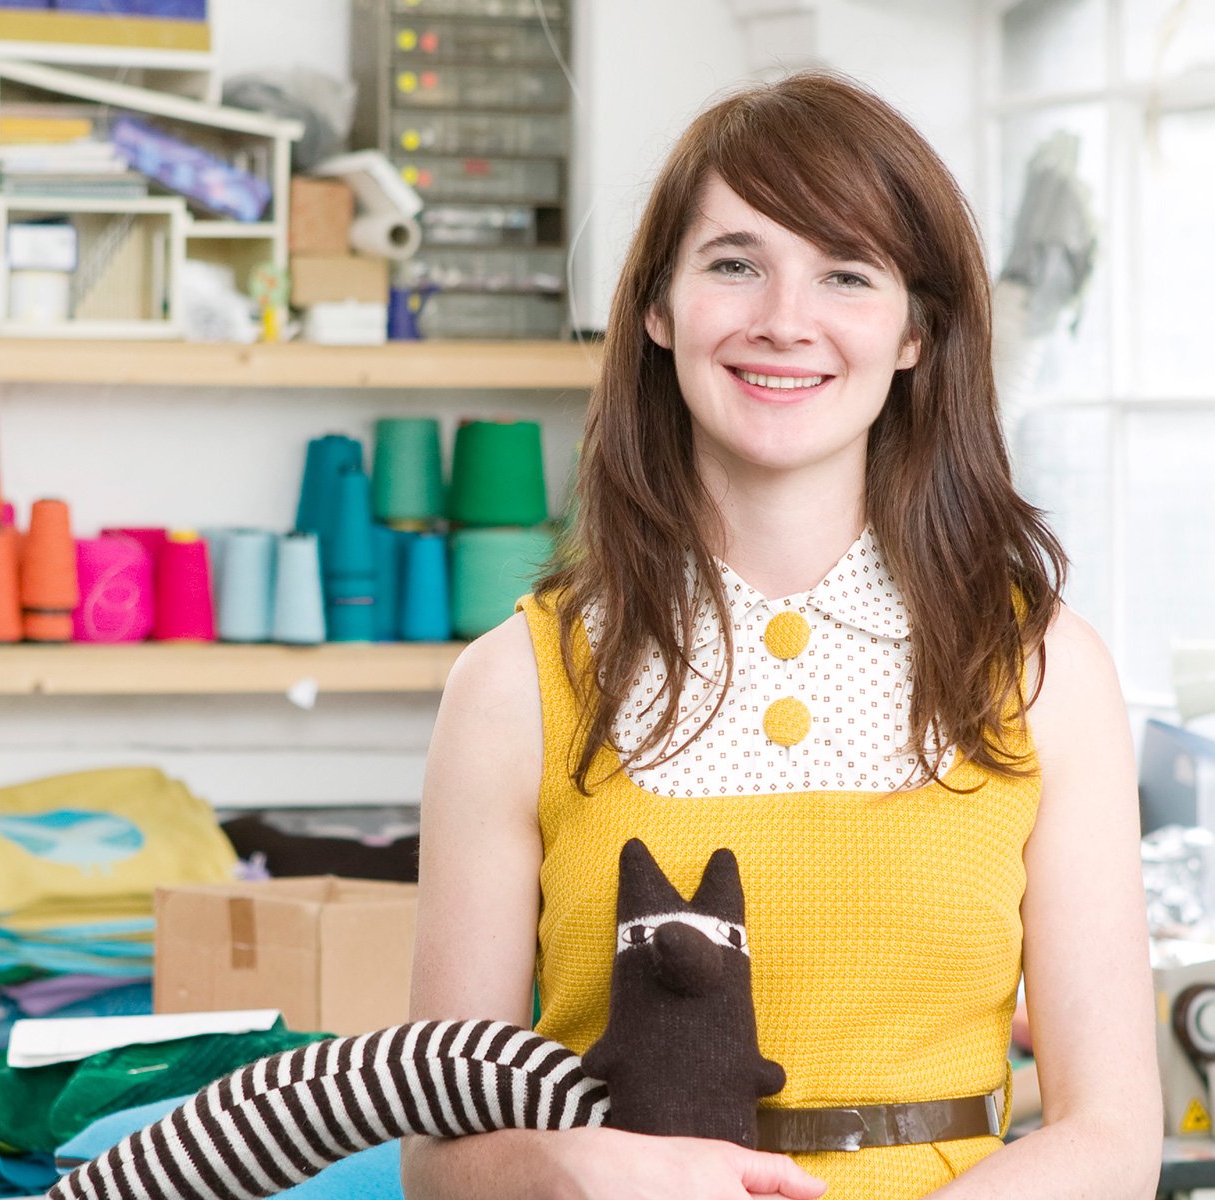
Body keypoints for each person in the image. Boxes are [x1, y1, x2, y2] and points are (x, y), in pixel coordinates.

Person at [402, 71, 1160, 1200]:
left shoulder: (1042, 670)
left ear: (913, 333)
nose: (781, 320)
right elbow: (435, 1153)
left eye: (844, 274)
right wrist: (558, 1166)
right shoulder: (515, 684)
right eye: (732, 264)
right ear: (656, 310)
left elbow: (1109, 1136)